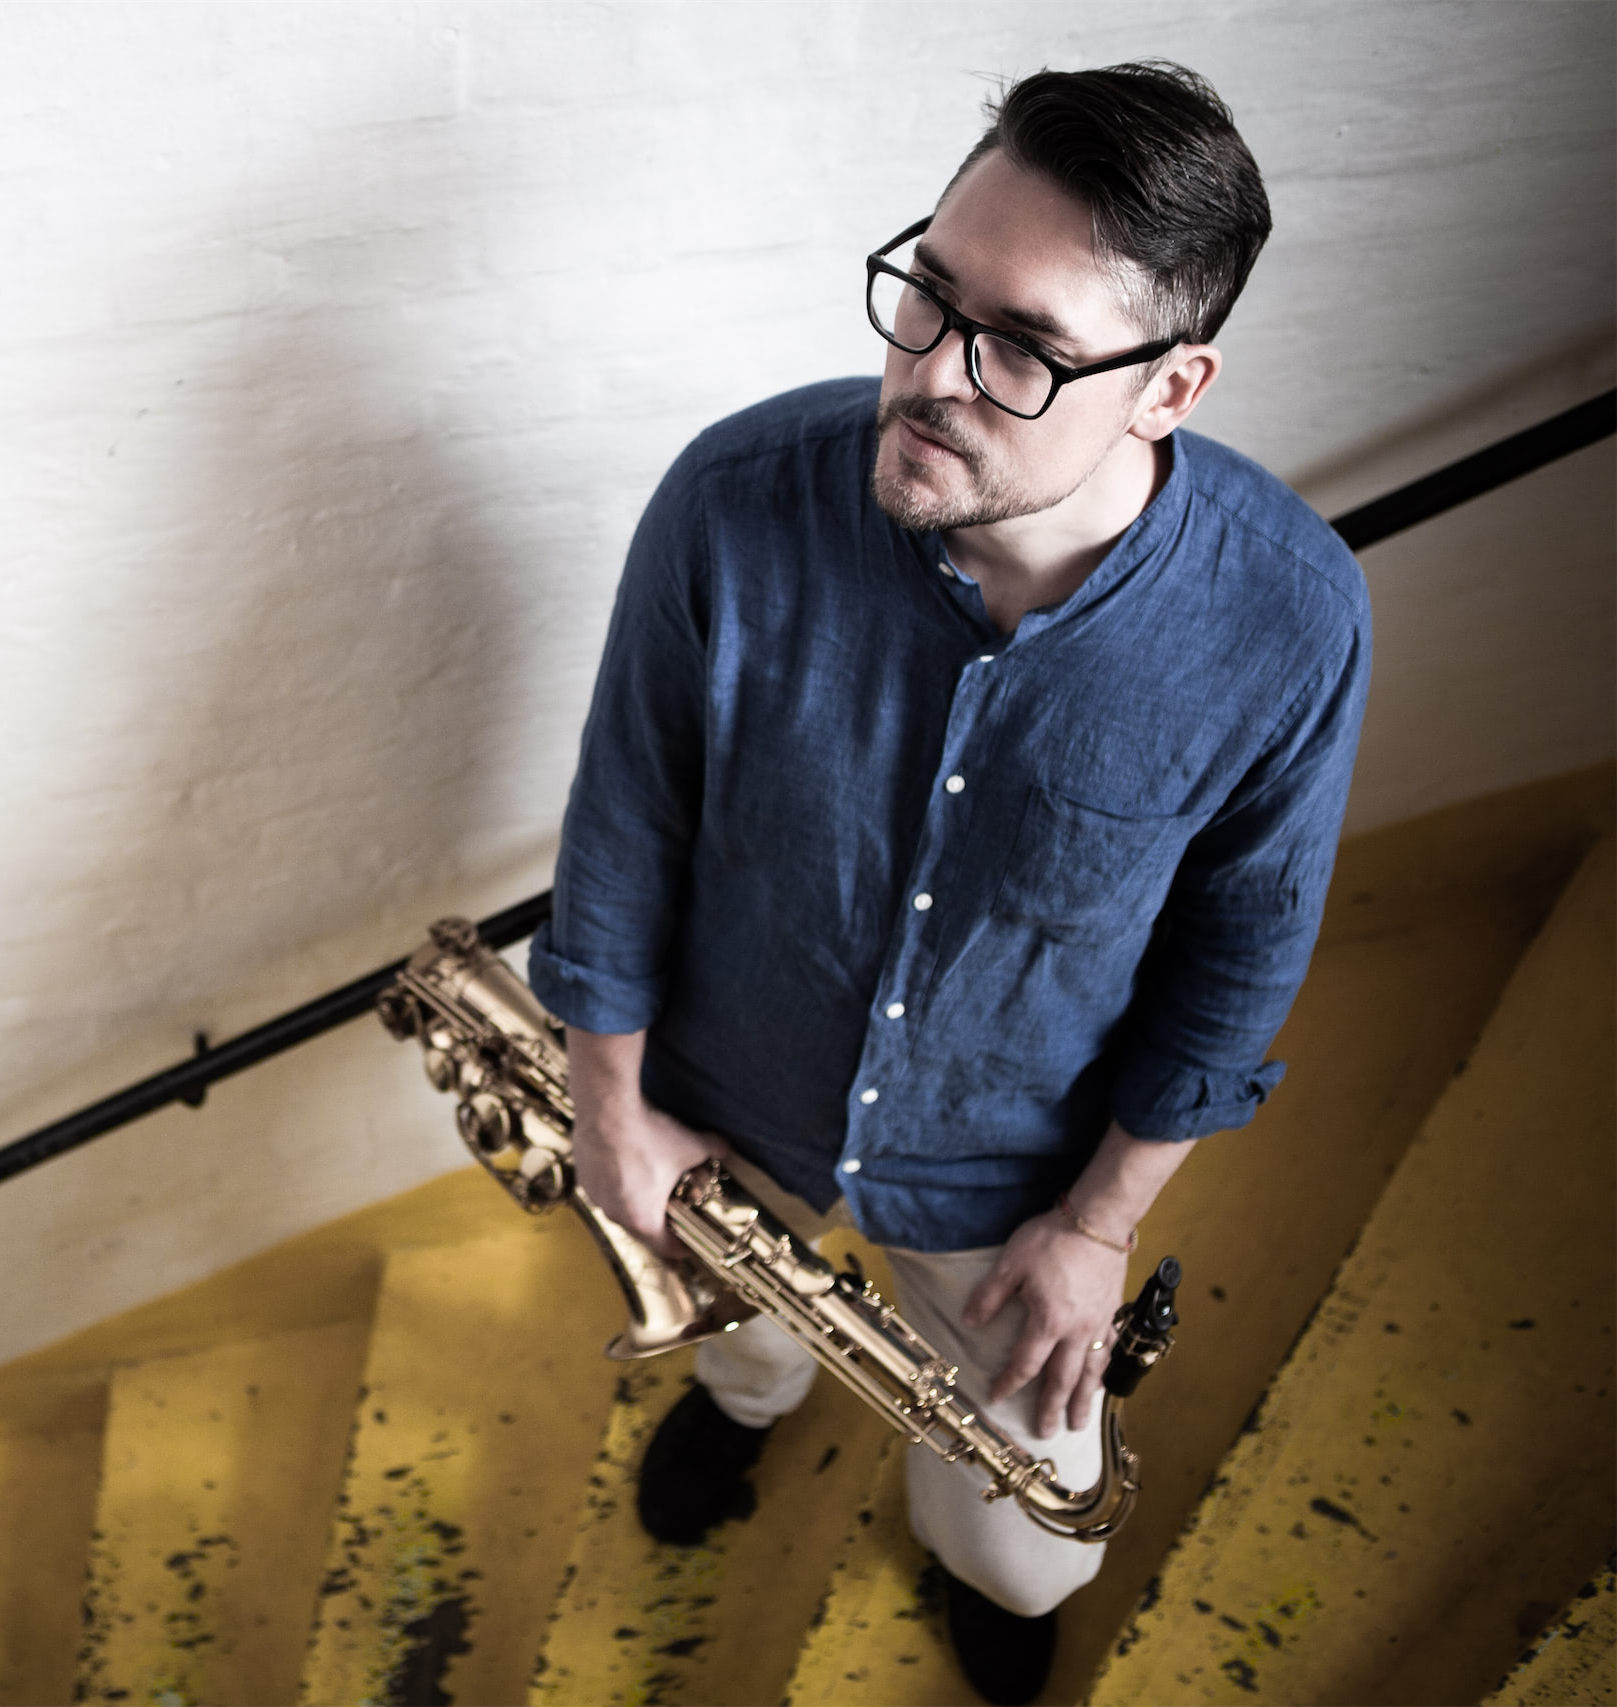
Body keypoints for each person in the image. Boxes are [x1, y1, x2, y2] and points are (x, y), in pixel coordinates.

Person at [525, 61, 1369, 1707]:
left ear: (1172, 388)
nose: (927, 374)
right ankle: (746, 1406)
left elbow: (1237, 958)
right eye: (928, 291)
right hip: (726, 1101)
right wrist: (609, 1107)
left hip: (1017, 1185)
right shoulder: (731, 501)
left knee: (1027, 1547)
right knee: (743, 1345)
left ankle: (981, 1570)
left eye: (1025, 348)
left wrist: (1098, 1227)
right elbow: (626, 820)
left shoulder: (1293, 618)